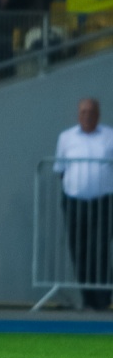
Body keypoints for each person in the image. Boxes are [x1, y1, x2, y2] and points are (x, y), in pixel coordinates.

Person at [54, 98, 113, 310]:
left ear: (98, 114)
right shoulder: (66, 138)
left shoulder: (110, 136)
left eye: (91, 112)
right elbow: (60, 170)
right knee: (79, 250)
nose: (87, 116)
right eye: (83, 112)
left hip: (103, 202)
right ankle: (88, 298)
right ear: (78, 115)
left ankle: (103, 299)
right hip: (74, 203)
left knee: (100, 250)